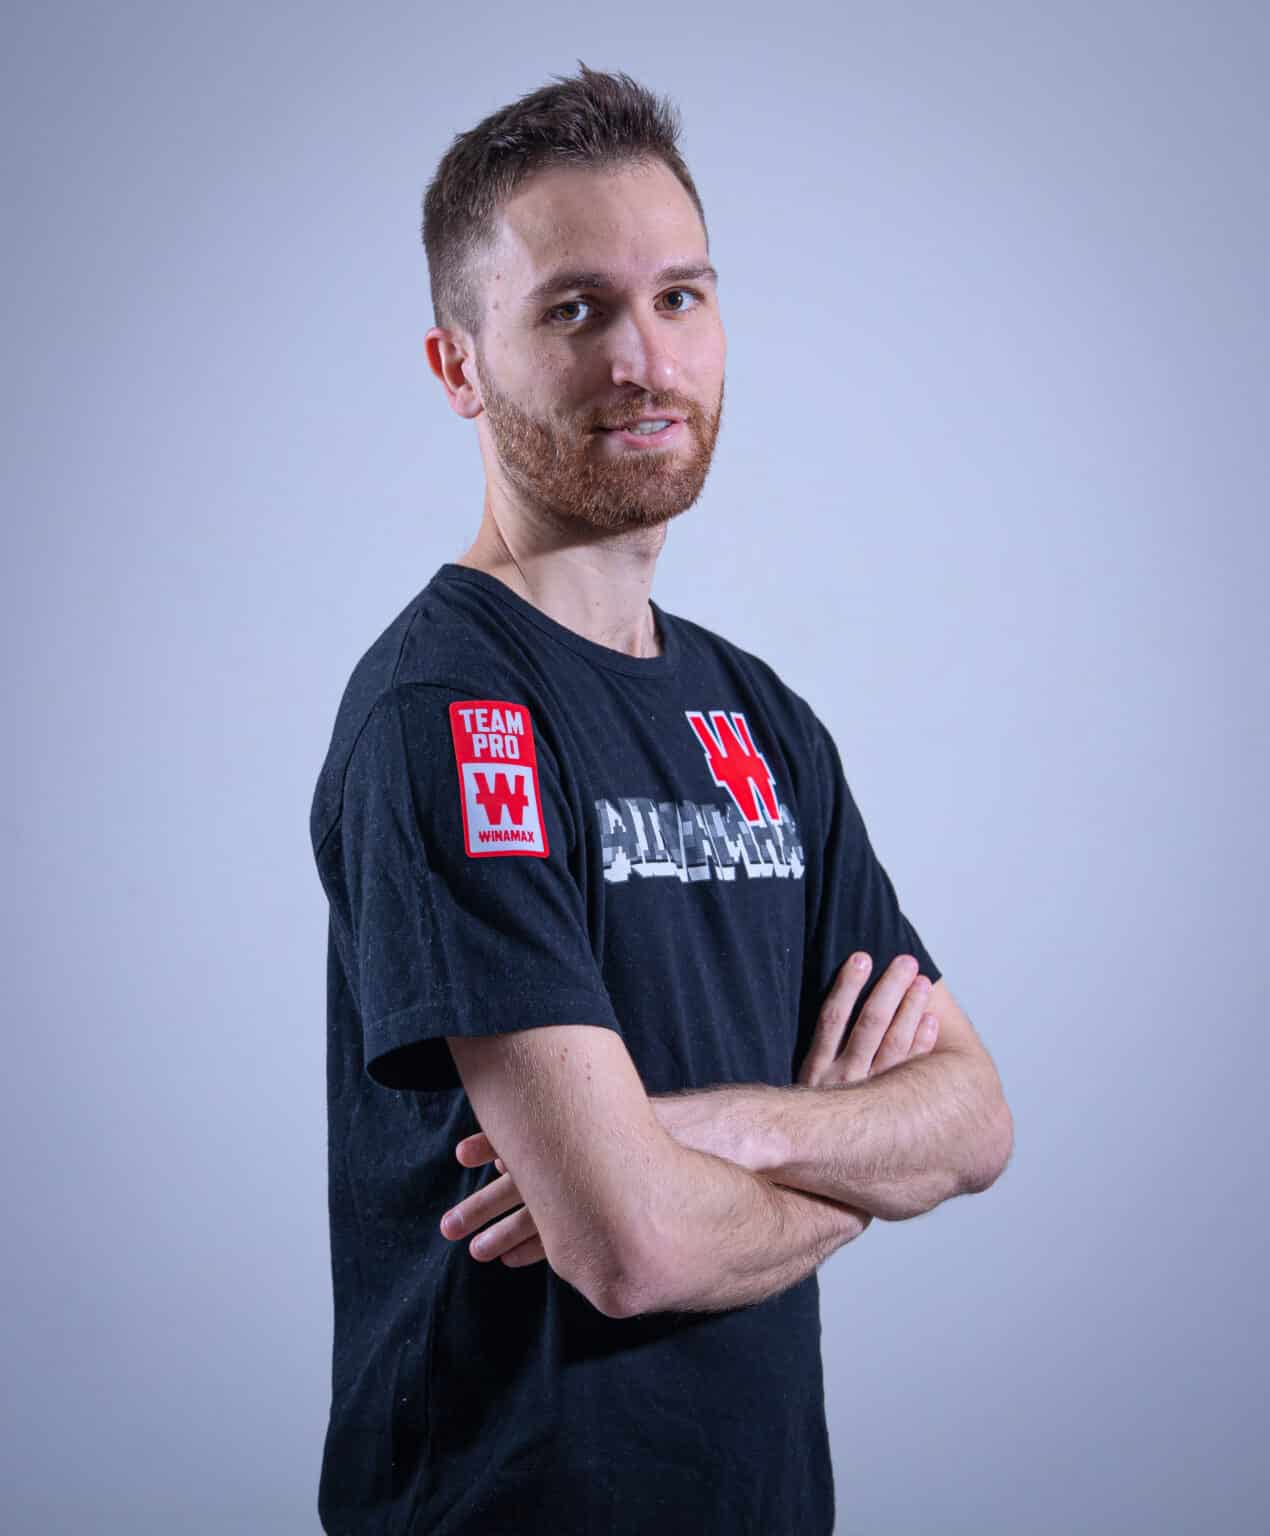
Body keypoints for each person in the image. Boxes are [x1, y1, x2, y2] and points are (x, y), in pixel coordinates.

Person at [308, 61, 1013, 1536]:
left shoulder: (757, 719)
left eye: (679, 297)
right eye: (576, 310)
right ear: (458, 366)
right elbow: (630, 1248)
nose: (645, 359)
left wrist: (717, 1132)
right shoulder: (452, 716)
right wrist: (850, 1160)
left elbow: (970, 1121)